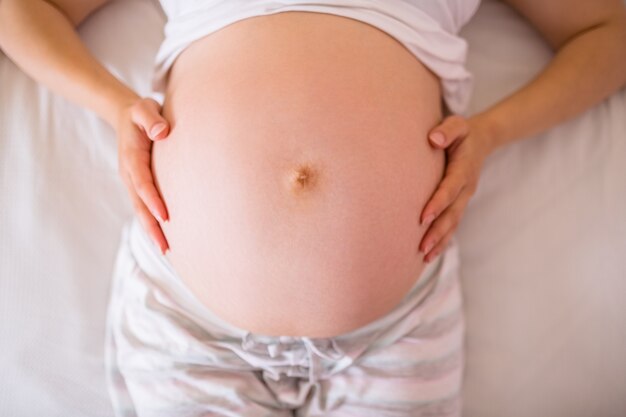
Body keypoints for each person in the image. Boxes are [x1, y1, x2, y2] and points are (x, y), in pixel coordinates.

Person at [1, 1, 625, 416]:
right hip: (189, 318)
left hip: (398, 329)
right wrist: (112, 105)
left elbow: (612, 33)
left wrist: (493, 132)